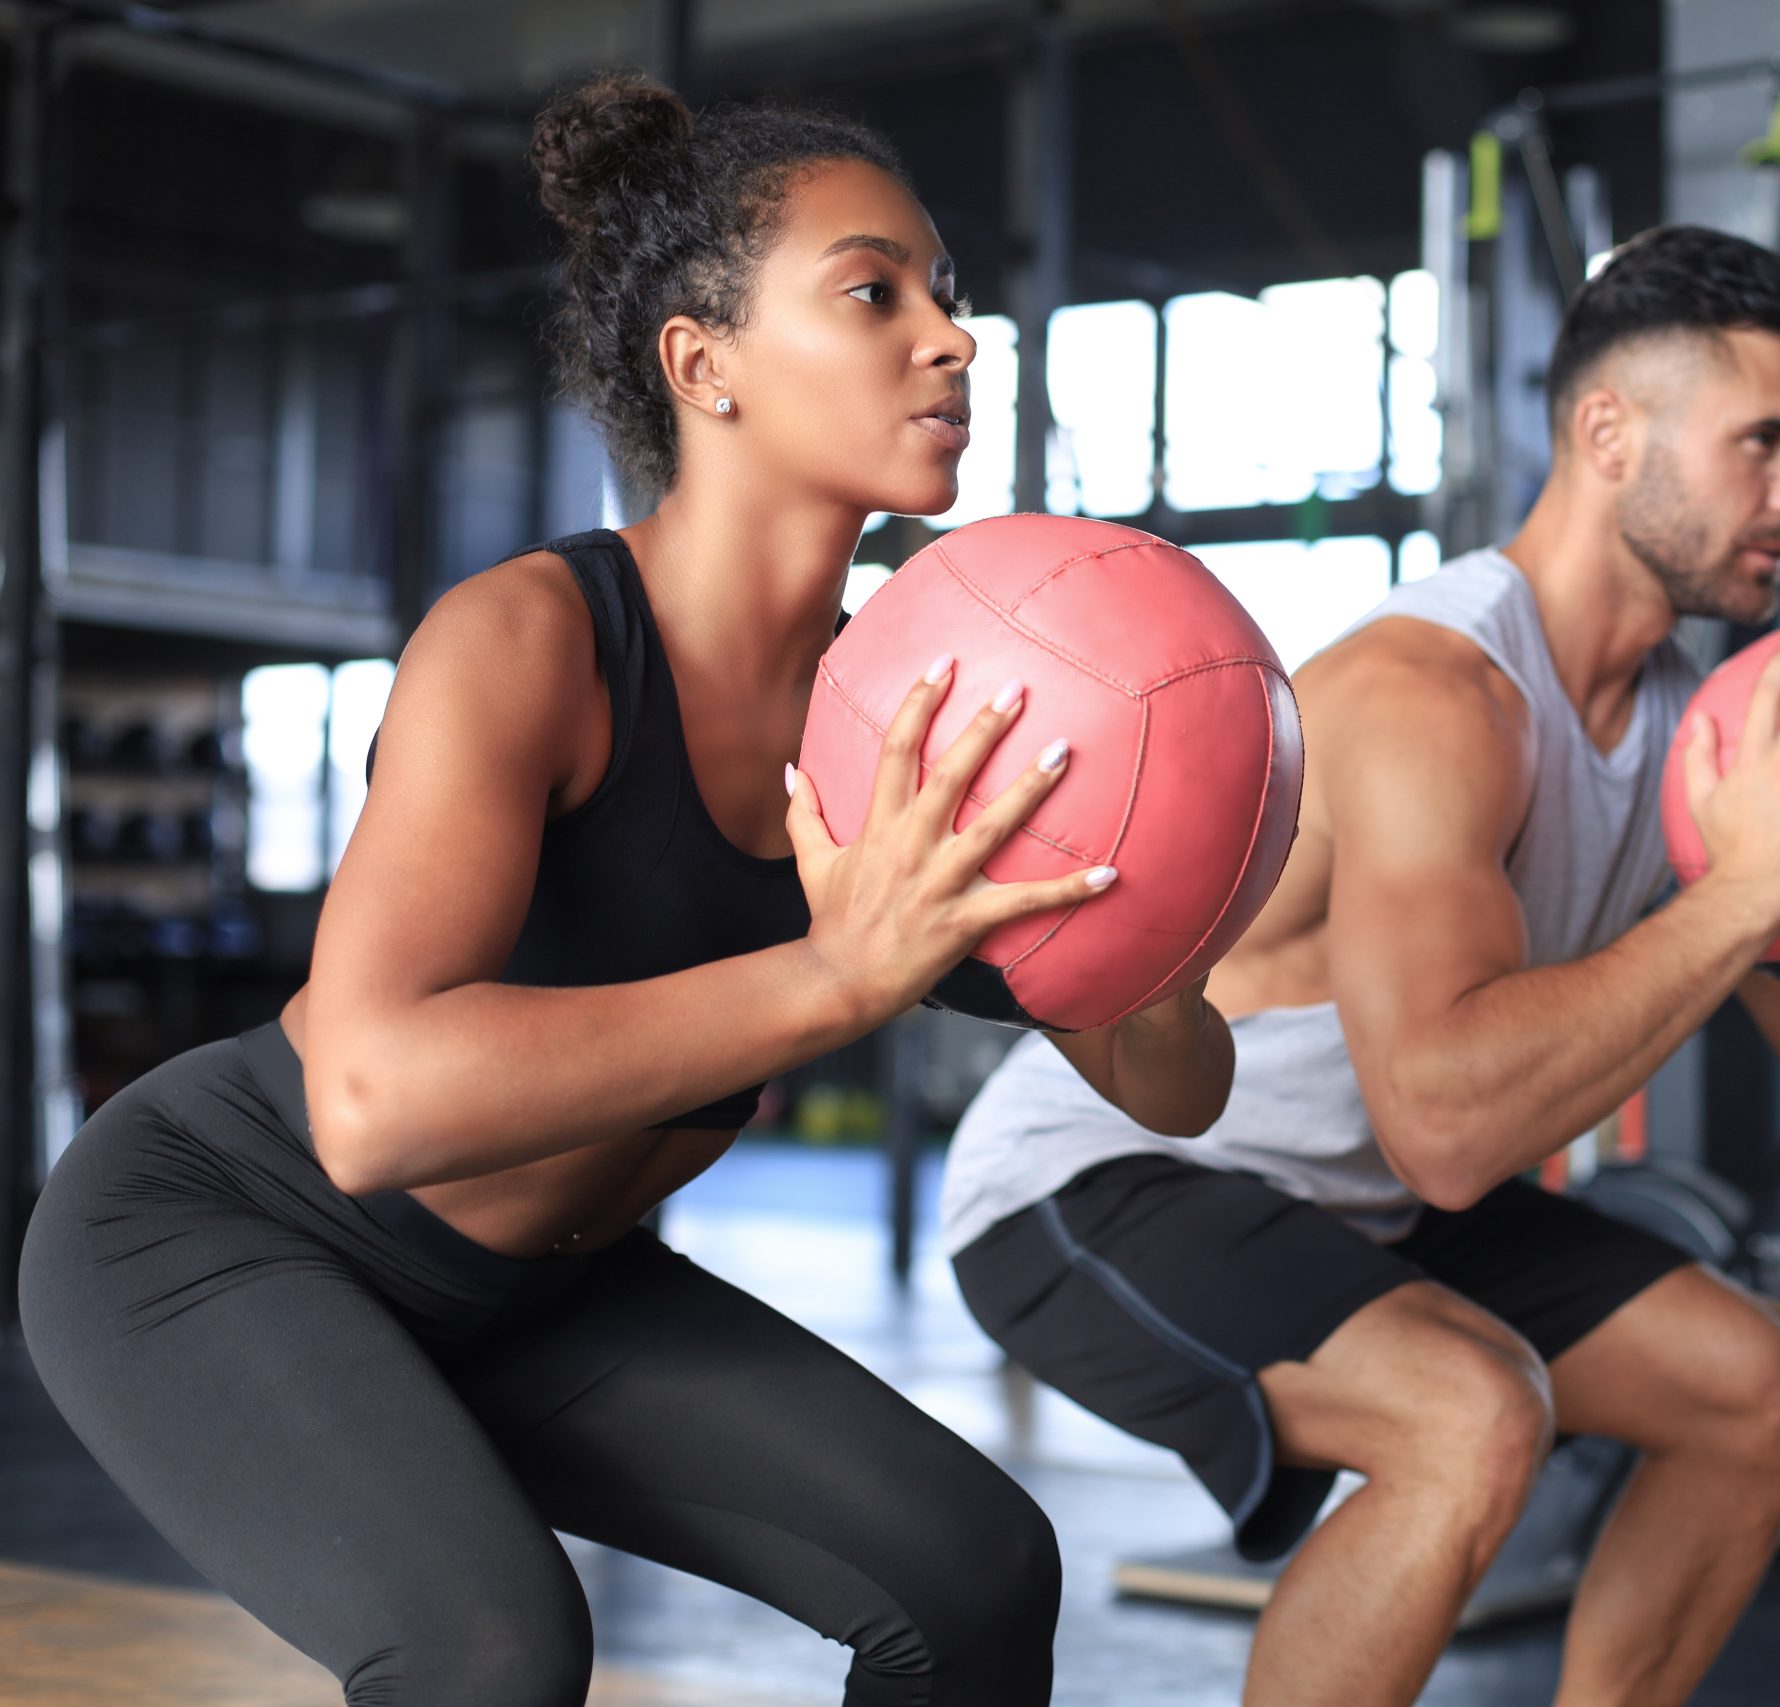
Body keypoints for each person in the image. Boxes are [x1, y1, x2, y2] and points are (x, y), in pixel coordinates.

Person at [19, 73, 1235, 1707]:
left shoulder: (904, 713)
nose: (951, 337)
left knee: (977, 1575)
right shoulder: (529, 641)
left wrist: (1153, 883)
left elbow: (1176, 1086)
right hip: (223, 1234)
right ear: (701, 364)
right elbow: (370, 1106)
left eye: (948, 297)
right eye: (876, 292)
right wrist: (834, 980)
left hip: (545, 1287)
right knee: (493, 1651)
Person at [941, 225, 1780, 1707]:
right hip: (1105, 1177)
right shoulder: (1432, 696)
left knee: (1762, 1384)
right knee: (1469, 1413)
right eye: (1763, 443)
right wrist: (1751, 889)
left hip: (1356, 1204)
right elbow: (1446, 1130)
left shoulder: (1708, 734)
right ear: (1608, 433)